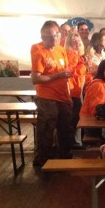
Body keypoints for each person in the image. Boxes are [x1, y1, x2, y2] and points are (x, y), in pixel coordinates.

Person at [30, 20, 74, 167]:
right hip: (46, 96)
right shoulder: (37, 49)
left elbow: (66, 75)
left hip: (62, 96)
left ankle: (64, 156)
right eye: (46, 37)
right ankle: (43, 159)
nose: (49, 39)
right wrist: (57, 75)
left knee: (65, 126)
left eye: (53, 36)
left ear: (58, 35)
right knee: (47, 127)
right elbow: (35, 78)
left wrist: (68, 96)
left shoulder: (61, 50)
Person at [64, 32, 87, 148]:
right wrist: (84, 67)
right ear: (69, 43)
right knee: (76, 117)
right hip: (73, 91)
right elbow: (70, 72)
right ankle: (75, 143)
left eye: (79, 41)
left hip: (77, 90)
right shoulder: (71, 54)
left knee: (77, 116)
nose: (77, 43)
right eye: (74, 41)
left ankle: (76, 142)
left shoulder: (77, 55)